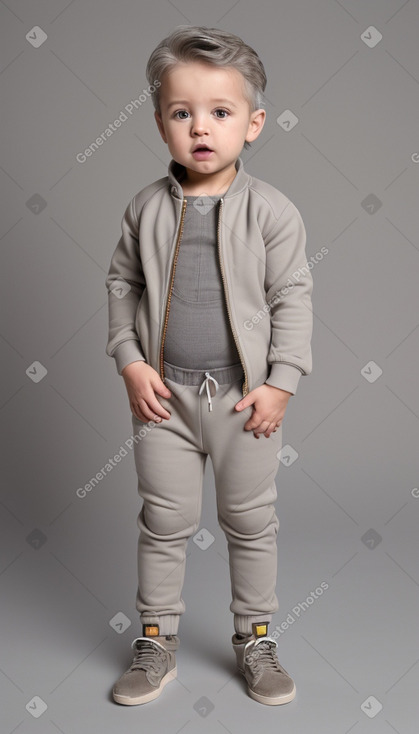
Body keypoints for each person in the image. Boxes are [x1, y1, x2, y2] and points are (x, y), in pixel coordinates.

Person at [106, 25, 313, 707]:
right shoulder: (143, 208)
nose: (201, 127)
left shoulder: (273, 211)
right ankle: (156, 639)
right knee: (162, 521)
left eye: (220, 112)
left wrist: (280, 383)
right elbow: (121, 288)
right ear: (161, 122)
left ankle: (254, 636)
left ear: (252, 124)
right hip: (163, 400)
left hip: (241, 400)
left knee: (251, 521)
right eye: (181, 111)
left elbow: (292, 296)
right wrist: (131, 363)